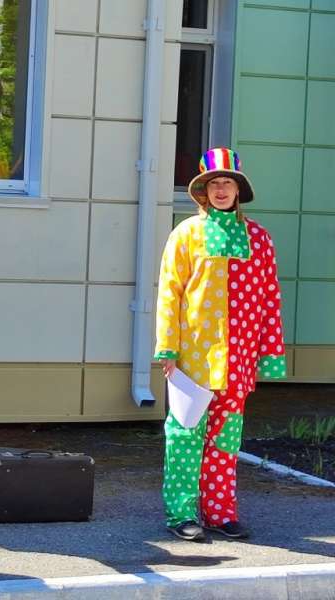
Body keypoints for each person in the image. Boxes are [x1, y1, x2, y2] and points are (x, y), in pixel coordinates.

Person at [155, 148, 286, 542]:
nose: (221, 189)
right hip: (194, 358)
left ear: (239, 189)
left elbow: (269, 297)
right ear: (203, 192)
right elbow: (169, 293)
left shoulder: (259, 238)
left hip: (239, 358)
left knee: (226, 439)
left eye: (227, 182)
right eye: (214, 183)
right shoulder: (187, 234)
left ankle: (220, 512)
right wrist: (168, 348)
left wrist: (269, 352)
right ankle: (180, 514)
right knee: (184, 435)